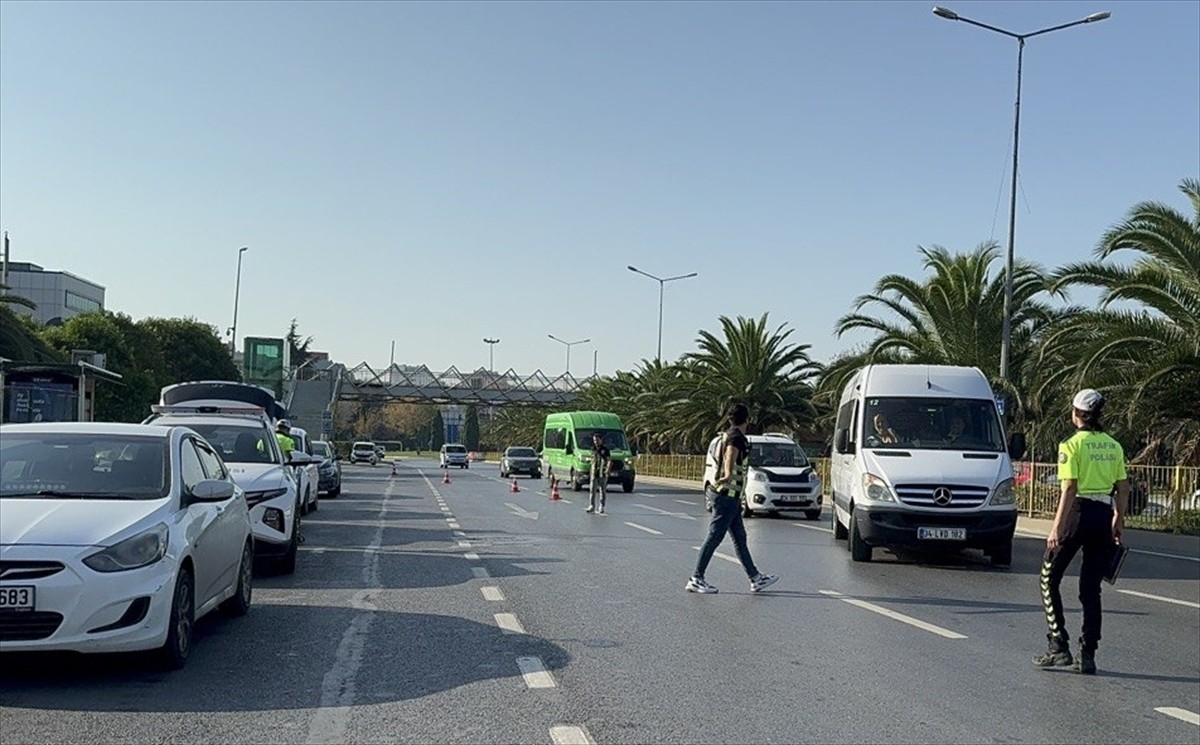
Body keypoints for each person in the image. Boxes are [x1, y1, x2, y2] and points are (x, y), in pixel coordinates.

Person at [1033, 388, 1128, 675]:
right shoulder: (1113, 445)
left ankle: (1058, 645)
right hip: (1102, 516)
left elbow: (1070, 488)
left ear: (1076, 414)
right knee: (1091, 589)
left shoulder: (1071, 444)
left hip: (1077, 514)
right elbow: (1123, 487)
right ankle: (1088, 654)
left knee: (1048, 578)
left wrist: (1056, 527)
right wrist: (1118, 519)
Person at [686, 403, 778, 594]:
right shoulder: (736, 438)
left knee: (740, 538)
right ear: (748, 419)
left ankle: (755, 578)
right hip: (726, 496)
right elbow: (730, 454)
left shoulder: (728, 435)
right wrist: (728, 474)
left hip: (732, 498)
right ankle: (696, 578)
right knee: (714, 537)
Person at [585, 432, 611, 514]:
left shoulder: (605, 450)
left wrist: (607, 470)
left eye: (597, 440)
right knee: (592, 490)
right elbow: (592, 460)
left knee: (602, 491)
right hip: (594, 473)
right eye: (594, 440)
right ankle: (592, 506)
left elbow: (609, 460)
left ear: (600, 440)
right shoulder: (593, 449)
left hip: (602, 473)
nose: (596, 442)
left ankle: (601, 506)